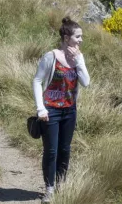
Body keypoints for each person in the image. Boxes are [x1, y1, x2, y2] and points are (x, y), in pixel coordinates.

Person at [32, 16, 91, 201]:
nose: (81, 40)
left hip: (70, 111)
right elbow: (37, 80)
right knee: (51, 150)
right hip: (51, 111)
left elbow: (86, 82)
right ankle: (49, 188)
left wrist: (79, 61)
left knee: (65, 150)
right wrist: (40, 108)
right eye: (78, 37)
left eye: (81, 37)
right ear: (66, 38)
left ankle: (60, 185)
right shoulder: (51, 56)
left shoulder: (78, 58)